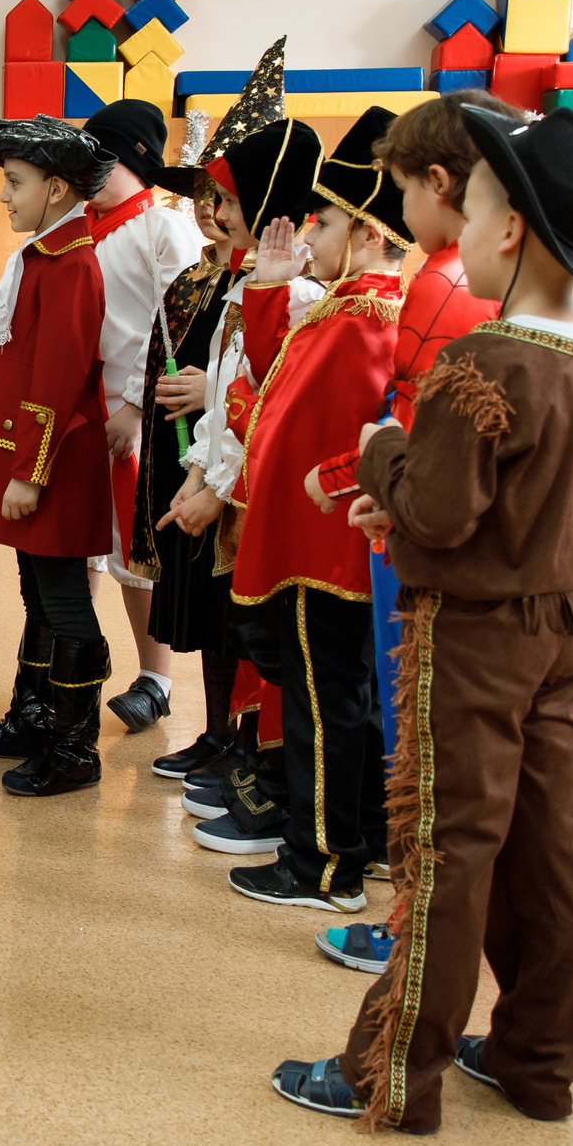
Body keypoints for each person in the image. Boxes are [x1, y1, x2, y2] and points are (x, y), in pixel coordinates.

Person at [273, 106, 573, 1134]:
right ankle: (536, 1058)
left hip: (474, 642)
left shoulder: (484, 363)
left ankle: (392, 1072)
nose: (455, 223)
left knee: (449, 844)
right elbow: (523, 508)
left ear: (510, 231)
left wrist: (384, 451)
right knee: (549, 845)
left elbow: (441, 509)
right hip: (561, 632)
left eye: (472, 203)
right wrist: (405, 494)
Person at [311, 91, 507, 975]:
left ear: (437, 183)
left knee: (412, 736)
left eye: (399, 192)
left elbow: (415, 421)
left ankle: (406, 932)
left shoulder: (440, 281)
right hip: (422, 521)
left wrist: (362, 481)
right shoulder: (461, 283)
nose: (394, 213)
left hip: (416, 539)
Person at [217, 108, 407, 915]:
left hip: (320, 545)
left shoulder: (360, 316)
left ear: (364, 231)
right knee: (340, 698)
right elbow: (275, 399)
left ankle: (322, 865)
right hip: (327, 542)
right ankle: (360, 835)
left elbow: (275, 415)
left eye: (322, 223)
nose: (309, 239)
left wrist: (239, 404)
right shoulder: (350, 306)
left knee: (323, 706)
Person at [162, 98, 326, 855]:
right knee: (239, 631)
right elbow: (230, 397)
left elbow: (260, 408)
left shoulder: (297, 298)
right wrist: (201, 471)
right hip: (228, 486)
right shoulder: (244, 284)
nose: (215, 213)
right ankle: (240, 756)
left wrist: (214, 482)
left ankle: (266, 779)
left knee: (268, 648)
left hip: (260, 496)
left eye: (227, 200)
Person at [0, 115, 115, 797]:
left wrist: (29, 470)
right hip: (36, 462)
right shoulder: (46, 258)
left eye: (15, 182)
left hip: (54, 465)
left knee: (65, 599)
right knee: (36, 592)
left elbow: (57, 379)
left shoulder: (72, 265)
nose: (4, 195)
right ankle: (34, 717)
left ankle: (75, 749)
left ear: (56, 187)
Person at [78, 100, 206, 734]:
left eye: (102, 158)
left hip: (138, 413)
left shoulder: (163, 228)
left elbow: (174, 325)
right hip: (82, 410)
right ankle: (76, 660)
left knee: (134, 546)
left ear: (131, 161)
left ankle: (156, 677)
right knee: (84, 541)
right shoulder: (83, 228)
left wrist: (133, 403)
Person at [130, 175, 237, 777]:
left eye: (219, 197)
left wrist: (210, 389)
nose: (207, 210)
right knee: (199, 597)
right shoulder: (190, 280)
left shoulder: (270, 286)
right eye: (199, 197)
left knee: (229, 604)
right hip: (183, 457)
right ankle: (217, 729)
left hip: (229, 460)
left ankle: (240, 738)